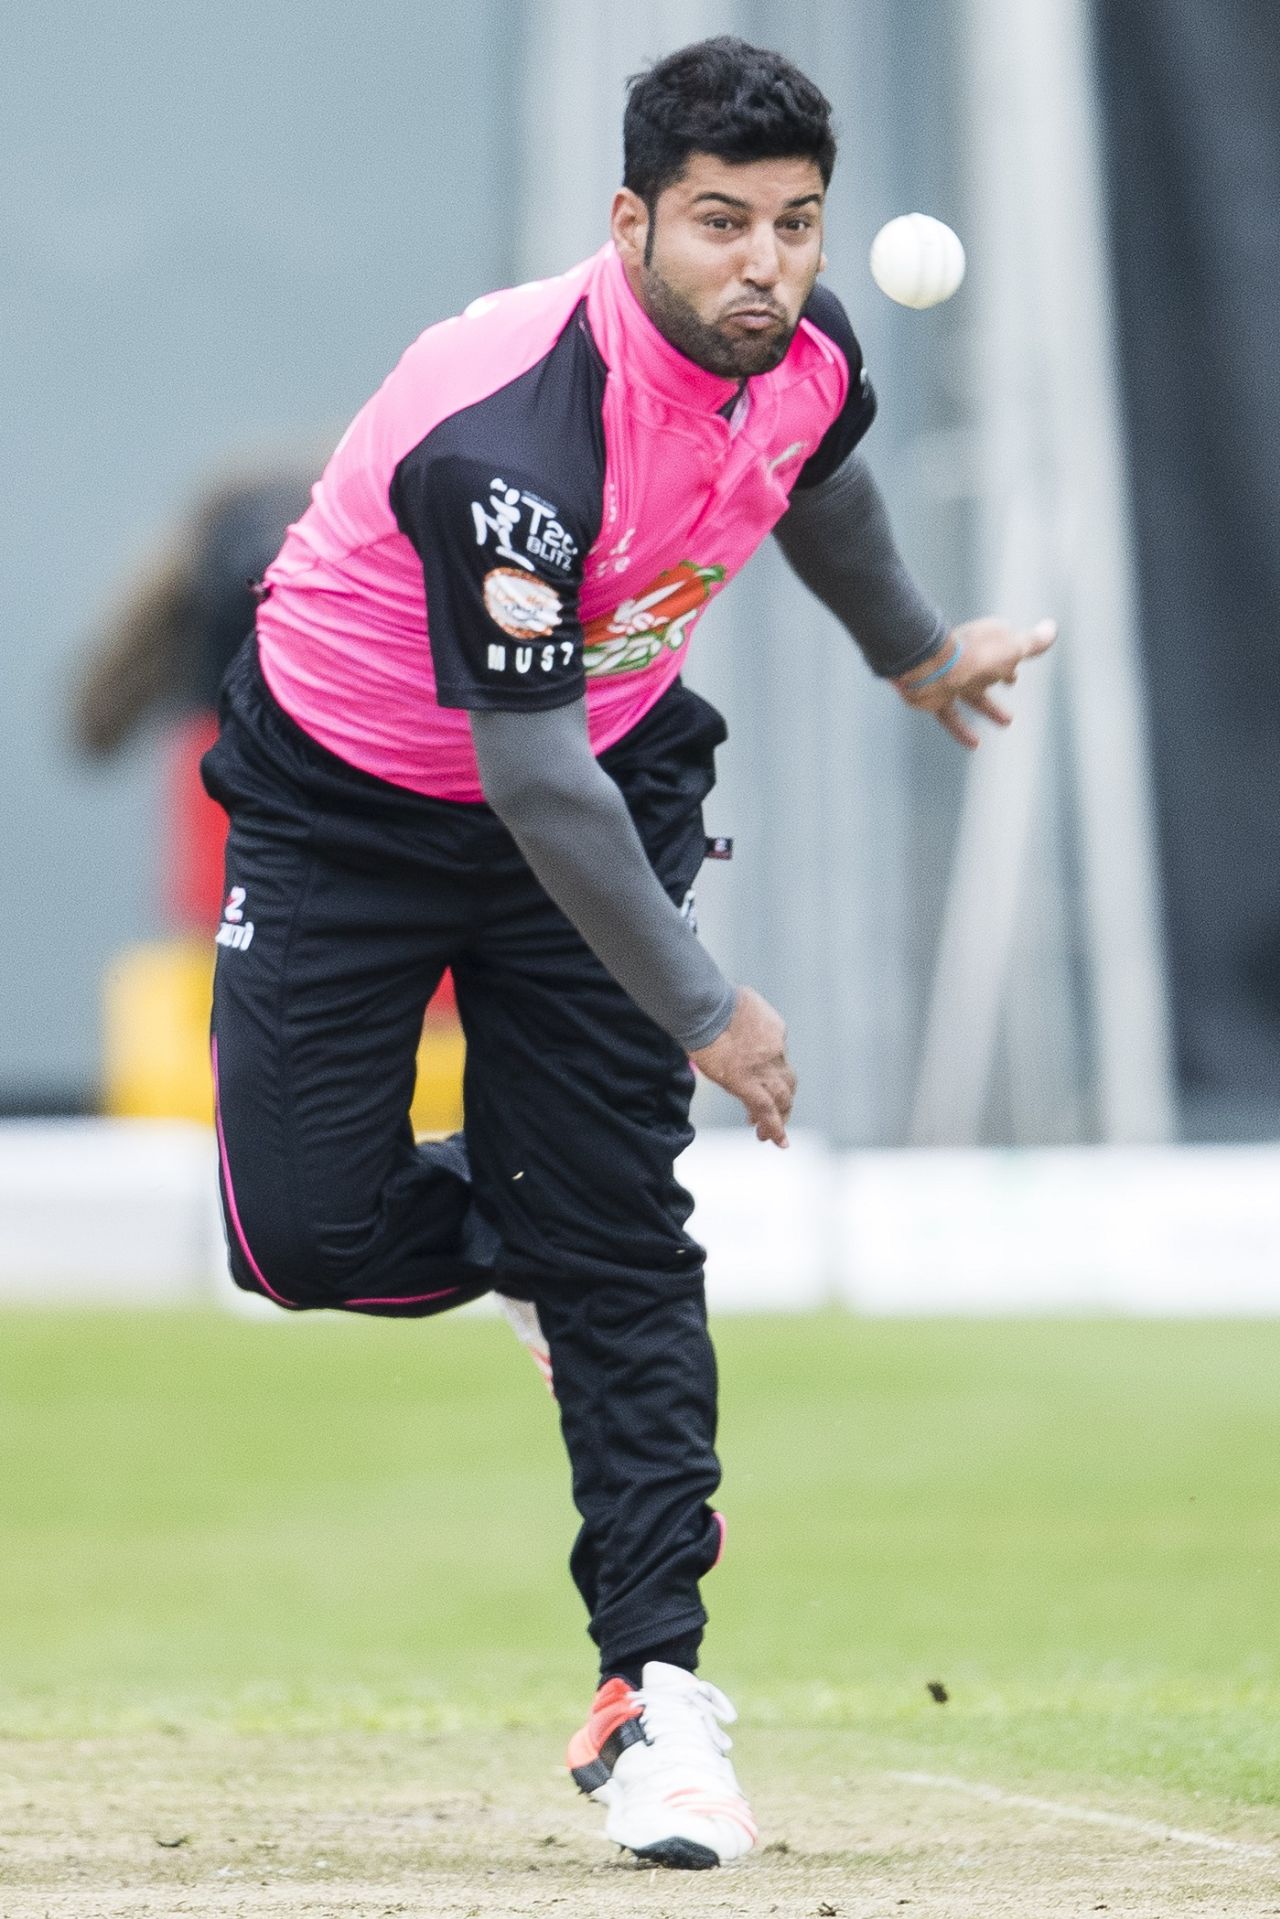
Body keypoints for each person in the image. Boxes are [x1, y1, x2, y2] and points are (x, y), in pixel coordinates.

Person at [201, 37, 1054, 1871]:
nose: (767, 264)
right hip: (358, 804)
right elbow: (528, 778)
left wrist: (918, 654)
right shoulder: (512, 441)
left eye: (797, 224)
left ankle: (654, 1694)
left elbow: (814, 480)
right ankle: (529, 1248)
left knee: (614, 1237)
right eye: (722, 223)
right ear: (631, 221)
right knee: (299, 1241)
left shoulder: (805, 354)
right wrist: (710, 1008)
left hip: (611, 772)